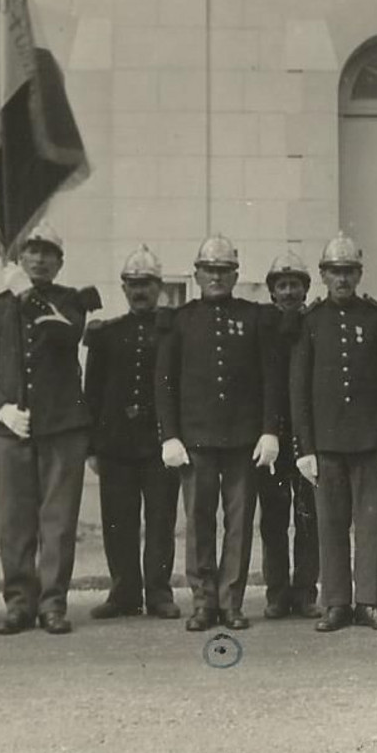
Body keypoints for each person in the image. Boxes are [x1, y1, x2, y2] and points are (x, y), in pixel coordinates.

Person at [0, 219, 99, 637]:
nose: (40, 259)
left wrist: (26, 294)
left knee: (57, 522)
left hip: (62, 426)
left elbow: (63, 335)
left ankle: (53, 603)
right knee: (13, 521)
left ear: (60, 262)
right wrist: (1, 407)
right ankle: (19, 603)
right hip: (12, 430)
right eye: (32, 252)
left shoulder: (72, 302)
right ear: (19, 258)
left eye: (48, 253)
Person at [155, 233, 283, 632]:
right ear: (196, 274)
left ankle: (232, 602)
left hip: (243, 440)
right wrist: (170, 435)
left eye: (224, 271)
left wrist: (269, 431)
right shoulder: (181, 321)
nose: (216, 277)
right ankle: (203, 602)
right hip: (196, 441)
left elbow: (270, 379)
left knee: (240, 522)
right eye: (210, 270)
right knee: (198, 521)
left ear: (235, 274)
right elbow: (165, 382)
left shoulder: (254, 318)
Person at [289, 234, 377, 633]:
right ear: (323, 275)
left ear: (358, 275)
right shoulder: (311, 322)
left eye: (349, 272)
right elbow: (299, 390)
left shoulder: (375, 320)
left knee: (372, 524)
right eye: (335, 272)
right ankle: (336, 603)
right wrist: (305, 447)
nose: (342, 279)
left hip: (370, 442)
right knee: (330, 524)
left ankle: (369, 601)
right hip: (326, 445)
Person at [82, 244, 182, 619]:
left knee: (161, 520)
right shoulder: (107, 334)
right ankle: (124, 592)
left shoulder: (172, 331)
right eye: (133, 284)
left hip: (160, 444)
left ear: (159, 286)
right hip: (116, 445)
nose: (140, 291)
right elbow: (92, 392)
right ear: (123, 288)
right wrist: (92, 446)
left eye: (147, 284)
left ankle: (158, 593)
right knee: (117, 521)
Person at [258, 251, 321, 620]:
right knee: (274, 519)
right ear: (271, 292)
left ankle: (306, 592)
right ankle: (277, 593)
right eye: (281, 285)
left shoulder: (314, 324)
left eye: (295, 285)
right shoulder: (262, 325)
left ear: (305, 289)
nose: (288, 292)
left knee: (309, 518)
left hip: (308, 438)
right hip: (273, 440)